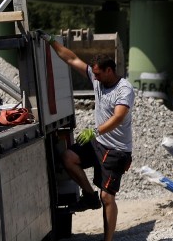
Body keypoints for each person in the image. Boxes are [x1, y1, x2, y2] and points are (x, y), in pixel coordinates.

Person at [37, 30, 134, 241]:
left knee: (108, 197)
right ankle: (89, 197)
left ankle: (108, 239)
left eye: (98, 74)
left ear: (109, 70)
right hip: (98, 142)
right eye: (94, 74)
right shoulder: (97, 78)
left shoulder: (124, 89)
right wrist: (51, 41)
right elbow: (71, 58)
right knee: (68, 158)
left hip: (116, 150)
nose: (95, 78)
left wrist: (96, 130)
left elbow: (118, 117)